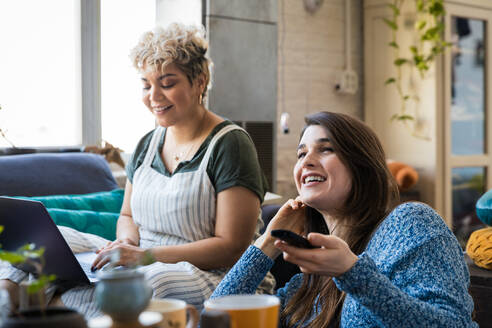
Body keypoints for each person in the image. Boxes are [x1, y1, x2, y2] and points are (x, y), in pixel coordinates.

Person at [0, 23, 272, 317]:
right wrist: (127, 243)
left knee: (149, 281)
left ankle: (50, 309)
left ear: (200, 81)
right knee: (43, 242)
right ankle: (9, 297)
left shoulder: (230, 143)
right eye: (146, 84)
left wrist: (146, 256)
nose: (153, 96)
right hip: (141, 255)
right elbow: (127, 215)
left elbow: (232, 246)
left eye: (167, 83)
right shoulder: (146, 144)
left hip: (214, 275)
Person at [211, 111, 478, 327]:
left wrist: (352, 272)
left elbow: (453, 324)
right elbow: (218, 315)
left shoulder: (410, 224)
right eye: (301, 154)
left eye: (325, 150)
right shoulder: (310, 280)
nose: (307, 161)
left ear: (362, 167)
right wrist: (267, 242)